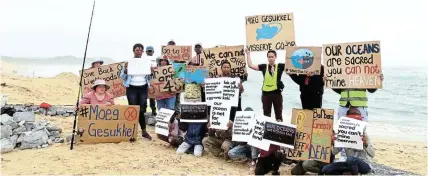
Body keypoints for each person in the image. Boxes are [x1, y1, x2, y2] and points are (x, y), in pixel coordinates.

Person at [321, 108, 375, 175]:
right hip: (349, 163)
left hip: (363, 165)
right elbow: (334, 152)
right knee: (326, 169)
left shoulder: (364, 134)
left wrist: (366, 144)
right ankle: (348, 172)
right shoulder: (343, 133)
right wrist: (333, 142)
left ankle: (354, 173)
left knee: (352, 159)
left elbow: (372, 154)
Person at [120, 43, 153, 140]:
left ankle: (143, 131)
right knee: (133, 110)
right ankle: (132, 133)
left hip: (143, 87)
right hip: (131, 88)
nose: (138, 51)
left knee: (142, 110)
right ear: (133, 51)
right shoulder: (128, 62)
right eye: (137, 50)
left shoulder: (147, 62)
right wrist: (126, 70)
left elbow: (150, 77)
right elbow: (122, 76)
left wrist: (151, 72)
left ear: (143, 51)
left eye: (140, 50)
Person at [245, 49, 285, 122]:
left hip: (277, 93)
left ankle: (279, 131)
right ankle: (267, 131)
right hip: (266, 93)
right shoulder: (264, 66)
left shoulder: (280, 66)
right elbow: (250, 65)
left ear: (275, 57)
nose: (270, 58)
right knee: (266, 115)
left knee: (279, 114)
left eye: (272, 57)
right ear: (267, 58)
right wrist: (248, 54)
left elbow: (291, 67)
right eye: (269, 57)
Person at [144, 45, 157, 116]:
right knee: (144, 97)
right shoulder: (143, 59)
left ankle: (154, 110)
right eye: (148, 51)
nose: (149, 52)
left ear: (153, 52)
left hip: (153, 80)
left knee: (152, 96)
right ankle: (144, 110)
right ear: (146, 52)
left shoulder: (156, 59)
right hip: (145, 80)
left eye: (150, 51)